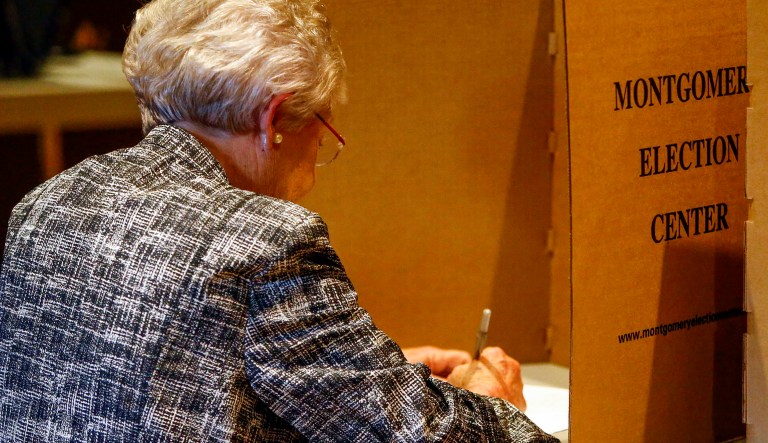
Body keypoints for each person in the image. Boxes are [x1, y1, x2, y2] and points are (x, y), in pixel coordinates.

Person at [0, 0, 558, 441]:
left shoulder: (42, 207)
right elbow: (430, 436)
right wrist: (485, 402)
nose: (318, 165)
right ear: (274, 120)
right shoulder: (265, 243)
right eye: (323, 132)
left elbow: (145, 392)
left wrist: (370, 373)